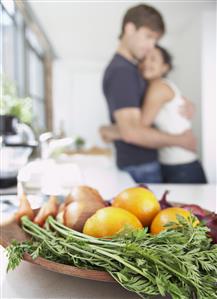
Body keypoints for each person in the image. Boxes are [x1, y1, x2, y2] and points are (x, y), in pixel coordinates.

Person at [101, 4, 196, 184]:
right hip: (141, 167)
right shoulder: (122, 71)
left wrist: (186, 104)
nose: (151, 45)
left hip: (150, 163)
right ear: (129, 29)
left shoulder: (133, 70)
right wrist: (179, 140)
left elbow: (151, 113)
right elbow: (132, 132)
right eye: (148, 36)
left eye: (155, 40)